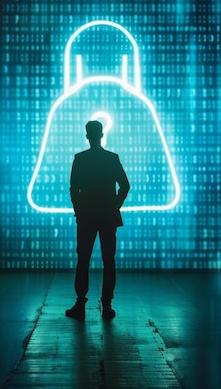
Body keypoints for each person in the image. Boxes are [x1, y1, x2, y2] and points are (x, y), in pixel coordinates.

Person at [66, 120, 130, 320]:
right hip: (107, 216)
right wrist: (114, 205)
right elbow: (125, 186)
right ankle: (107, 304)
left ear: (87, 135)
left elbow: (73, 189)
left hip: (86, 216)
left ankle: (80, 303)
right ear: (101, 134)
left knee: (83, 259)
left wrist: (79, 210)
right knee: (108, 259)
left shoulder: (80, 159)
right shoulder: (112, 159)